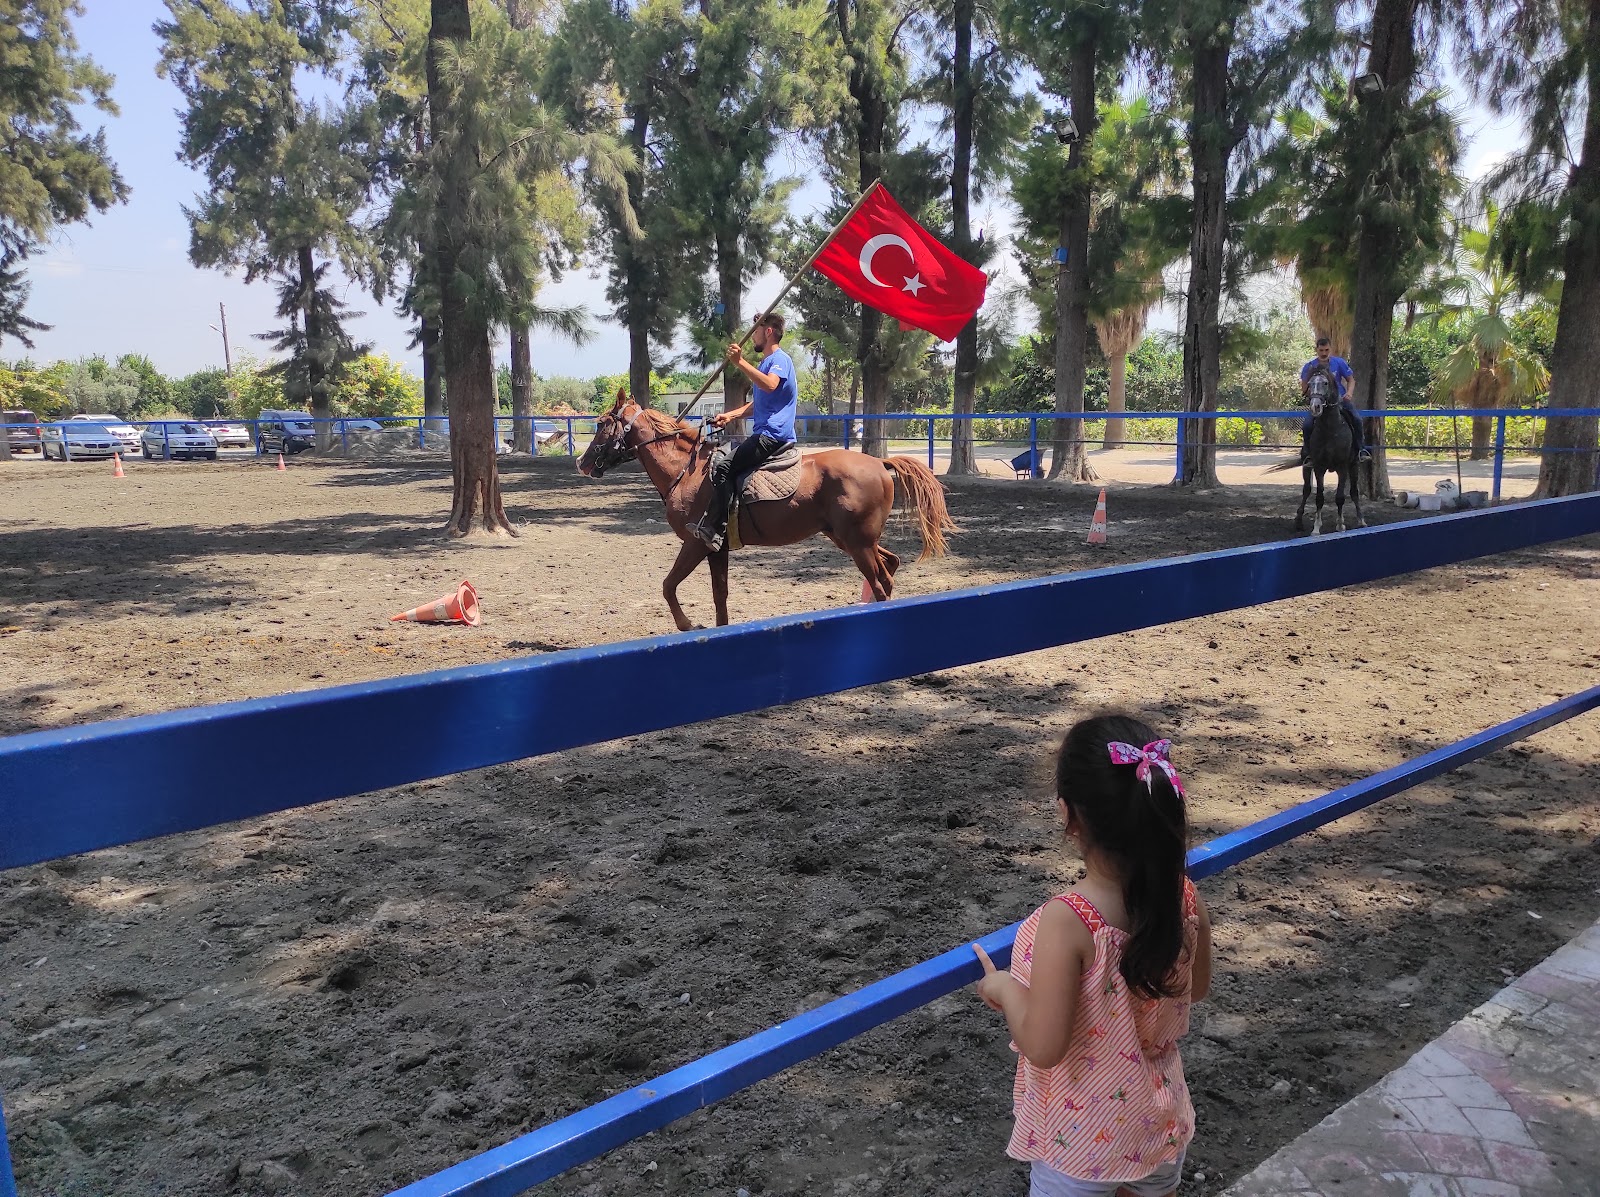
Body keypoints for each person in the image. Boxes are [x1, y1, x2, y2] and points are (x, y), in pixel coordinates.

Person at [972, 713, 1213, 1197]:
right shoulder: (1184, 895)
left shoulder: (1069, 921)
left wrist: (1003, 988)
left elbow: (1044, 1046)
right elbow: (1199, 986)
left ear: (1068, 815)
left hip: (1082, 1142)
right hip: (1159, 1124)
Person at [690, 311, 798, 551]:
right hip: (765, 432)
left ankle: (716, 529)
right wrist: (730, 415)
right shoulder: (765, 363)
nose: (752, 337)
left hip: (772, 434)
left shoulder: (780, 360)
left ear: (768, 331)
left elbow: (770, 385)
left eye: (756, 331)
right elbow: (761, 402)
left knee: (725, 466)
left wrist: (740, 362)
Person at [1300, 337, 1369, 464]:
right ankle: (1308, 454)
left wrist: (1349, 393)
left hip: (1340, 400)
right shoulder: (1309, 366)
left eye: (1326, 350)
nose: (1324, 353)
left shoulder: (1339, 363)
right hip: (1319, 403)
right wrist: (1314, 396)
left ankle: (1361, 450)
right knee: (1307, 425)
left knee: (1357, 419)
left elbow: (1351, 380)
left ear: (1330, 349)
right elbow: (1304, 386)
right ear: (1317, 350)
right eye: (1321, 350)